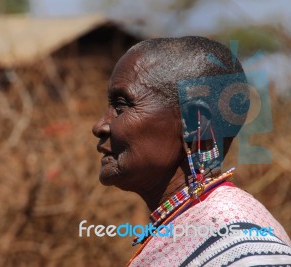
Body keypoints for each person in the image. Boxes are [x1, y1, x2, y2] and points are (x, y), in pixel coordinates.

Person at [92, 36, 291, 266]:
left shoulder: (242, 247)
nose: (99, 126)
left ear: (196, 123)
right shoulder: (185, 225)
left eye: (121, 106)